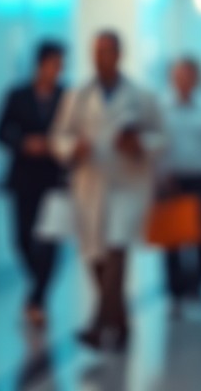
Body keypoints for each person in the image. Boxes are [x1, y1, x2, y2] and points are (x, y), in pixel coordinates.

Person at [51, 30, 165, 352]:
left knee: (116, 251)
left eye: (107, 51)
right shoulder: (78, 95)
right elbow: (59, 135)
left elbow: (161, 137)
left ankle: (98, 325)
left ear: (119, 54)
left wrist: (138, 144)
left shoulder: (141, 95)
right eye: (96, 51)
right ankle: (122, 323)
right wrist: (74, 147)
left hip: (128, 185)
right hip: (91, 185)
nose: (101, 57)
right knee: (96, 258)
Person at [0, 40, 67, 327]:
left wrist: (55, 145)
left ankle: (36, 299)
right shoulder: (18, 95)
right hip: (24, 179)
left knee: (50, 242)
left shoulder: (66, 96)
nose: (58, 71)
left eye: (61, 66)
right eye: (54, 64)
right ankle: (39, 288)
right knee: (22, 239)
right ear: (41, 64)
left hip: (55, 180)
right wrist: (24, 143)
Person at [158, 56, 201, 316]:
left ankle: (197, 286)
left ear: (196, 78)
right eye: (178, 76)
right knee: (173, 240)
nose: (182, 81)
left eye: (187, 76)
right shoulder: (162, 107)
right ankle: (175, 292)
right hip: (172, 181)